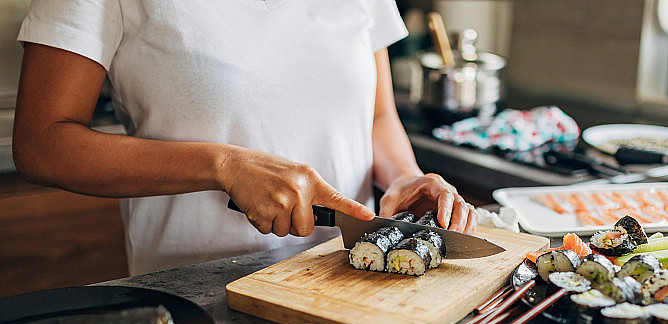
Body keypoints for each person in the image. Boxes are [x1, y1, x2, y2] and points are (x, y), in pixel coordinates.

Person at [12, 0, 477, 275]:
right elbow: (41, 143)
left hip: (349, 274)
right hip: (200, 292)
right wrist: (222, 165)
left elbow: (376, 116)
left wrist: (405, 177)